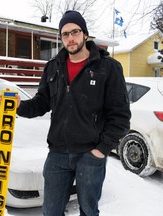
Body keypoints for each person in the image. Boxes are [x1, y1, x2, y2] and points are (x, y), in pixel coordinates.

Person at [15, 10, 131, 216]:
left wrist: (101, 149)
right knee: (50, 211)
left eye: (75, 32)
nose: (70, 38)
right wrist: (19, 106)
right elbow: (42, 103)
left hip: (90, 154)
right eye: (65, 34)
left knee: (88, 211)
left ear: (85, 34)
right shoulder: (53, 68)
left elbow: (120, 115)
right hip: (57, 153)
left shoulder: (108, 68)